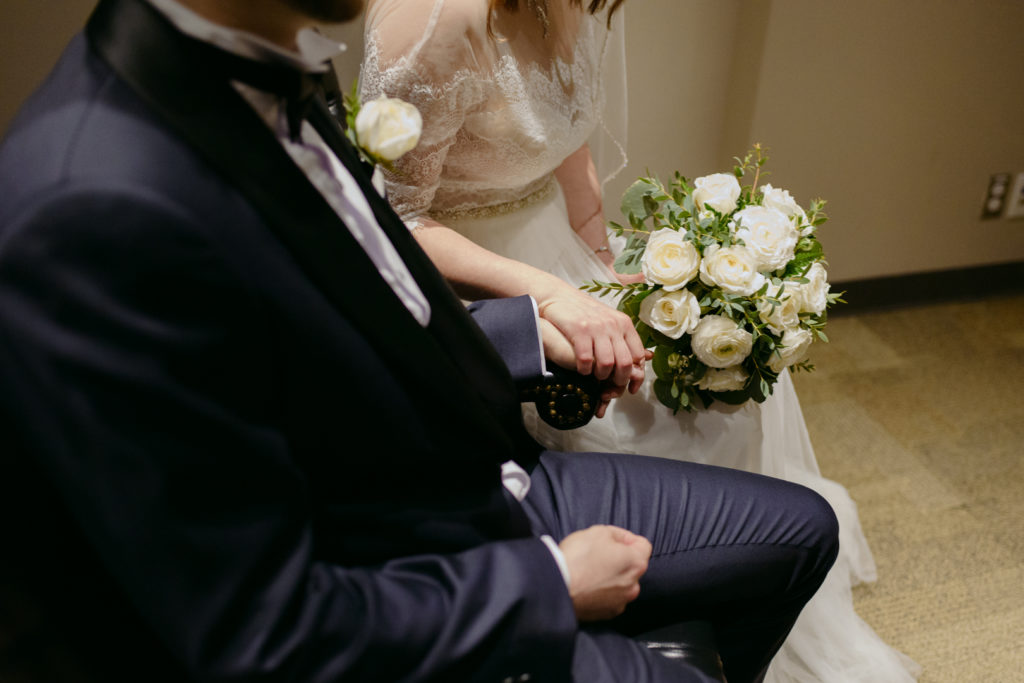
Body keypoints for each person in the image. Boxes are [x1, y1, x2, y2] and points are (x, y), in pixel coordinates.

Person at [0, 0, 840, 682]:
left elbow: (355, 320)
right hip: (410, 563)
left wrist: (529, 338)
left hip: (481, 478)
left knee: (805, 530)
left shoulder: (270, 71)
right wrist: (545, 583)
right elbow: (252, 628)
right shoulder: (95, 209)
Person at [359, 0, 920, 681]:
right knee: (655, 417)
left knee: (727, 387)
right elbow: (392, 221)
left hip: (556, 249)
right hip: (471, 283)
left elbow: (566, 136)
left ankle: (726, 575)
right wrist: (555, 296)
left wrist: (598, 263)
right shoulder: (435, 18)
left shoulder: (566, 4)